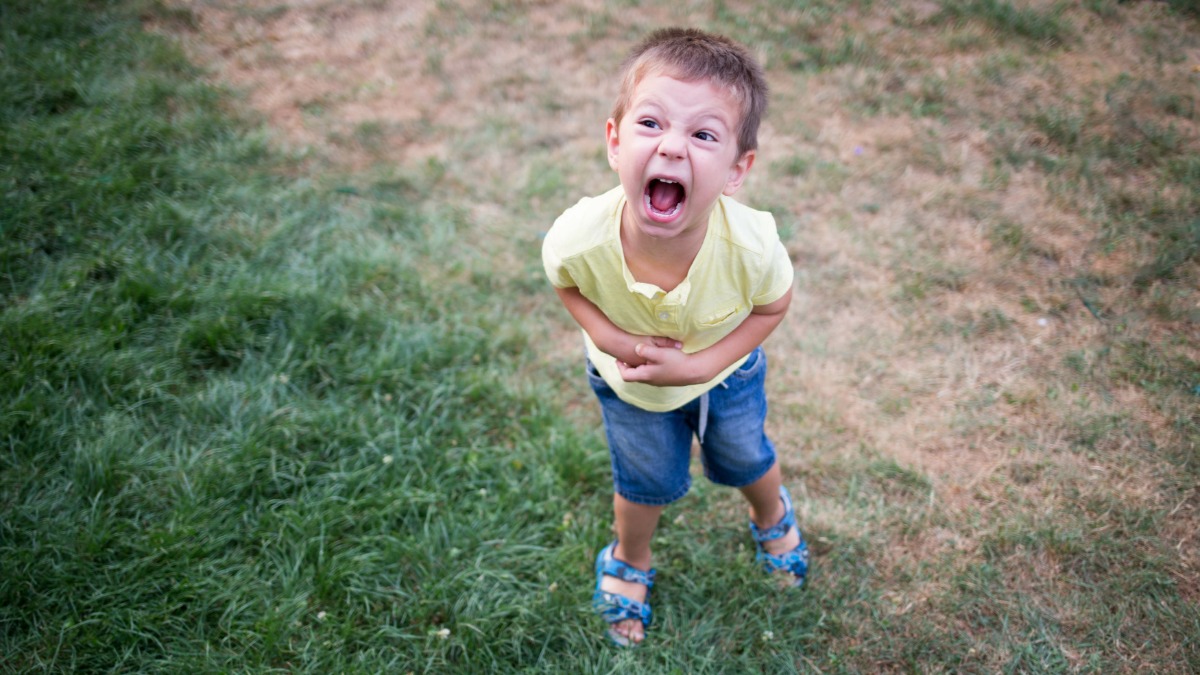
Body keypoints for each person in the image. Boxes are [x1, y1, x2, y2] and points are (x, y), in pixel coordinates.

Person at [541, 27, 808, 647]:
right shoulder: (579, 235)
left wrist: (701, 366)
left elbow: (773, 306)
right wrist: (609, 337)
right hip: (628, 387)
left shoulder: (752, 248)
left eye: (703, 134)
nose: (671, 147)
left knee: (744, 457)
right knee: (643, 482)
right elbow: (567, 284)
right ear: (614, 141)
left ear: (738, 169)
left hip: (727, 379)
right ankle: (631, 561)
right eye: (651, 124)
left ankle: (771, 516)